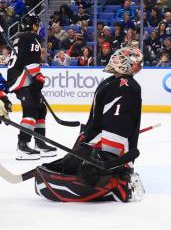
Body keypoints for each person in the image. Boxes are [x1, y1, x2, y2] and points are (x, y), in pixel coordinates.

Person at [36, 47, 144, 203]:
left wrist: (83, 138)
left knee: (78, 155)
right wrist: (129, 160)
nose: (140, 67)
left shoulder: (106, 85)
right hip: (121, 150)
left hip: (105, 146)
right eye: (137, 64)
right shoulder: (134, 87)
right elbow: (133, 126)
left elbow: (95, 122)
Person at [5, 14, 57, 160]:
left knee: (41, 109)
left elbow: (25, 58)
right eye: (37, 23)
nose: (38, 25)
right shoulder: (33, 38)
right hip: (22, 79)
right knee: (31, 109)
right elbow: (30, 61)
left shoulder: (20, 37)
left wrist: (35, 77)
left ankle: (39, 143)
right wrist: (38, 76)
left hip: (21, 77)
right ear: (33, 25)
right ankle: (23, 144)